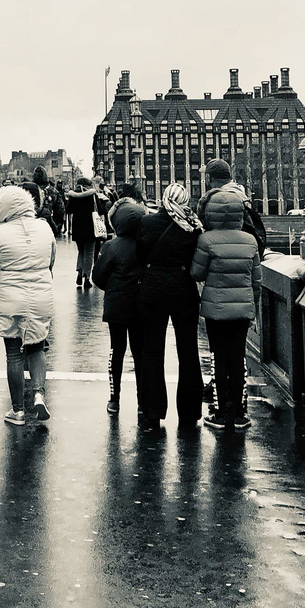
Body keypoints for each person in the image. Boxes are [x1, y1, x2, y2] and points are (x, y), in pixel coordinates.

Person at [190, 178, 262, 430]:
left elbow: (197, 274)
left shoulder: (206, 240)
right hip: (243, 310)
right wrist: (253, 306)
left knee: (219, 359)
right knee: (238, 357)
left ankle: (222, 413)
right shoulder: (250, 241)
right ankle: (241, 413)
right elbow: (256, 281)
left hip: (215, 310)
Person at [0, 186, 56, 426]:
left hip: (11, 297)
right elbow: (51, 260)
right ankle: (38, 394)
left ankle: (17, 411)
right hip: (40, 296)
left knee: (14, 354)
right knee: (37, 348)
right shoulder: (45, 227)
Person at [137, 183, 204, 432]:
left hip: (153, 291)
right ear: (185, 200)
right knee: (188, 351)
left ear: (164, 200)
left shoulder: (147, 223)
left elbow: (140, 256)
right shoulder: (193, 227)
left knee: (152, 351)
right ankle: (189, 412)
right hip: (183, 291)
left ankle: (153, 412)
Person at [92, 185, 146, 416]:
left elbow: (98, 277)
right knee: (140, 353)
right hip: (139, 306)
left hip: (116, 307)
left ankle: (114, 399)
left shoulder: (110, 246)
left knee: (117, 351)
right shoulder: (145, 246)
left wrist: (112, 289)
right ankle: (143, 400)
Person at [196, 160, 268, 253]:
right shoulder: (242, 195)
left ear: (208, 177)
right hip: (245, 251)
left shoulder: (215, 200)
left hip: (221, 253)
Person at [65, 178, 100, 289]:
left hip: (78, 228)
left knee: (81, 252)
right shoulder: (93, 195)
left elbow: (68, 210)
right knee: (89, 253)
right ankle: (87, 278)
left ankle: (79, 272)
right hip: (90, 228)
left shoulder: (73, 196)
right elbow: (101, 209)